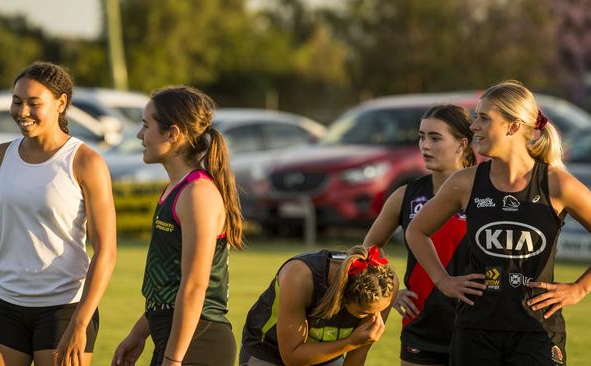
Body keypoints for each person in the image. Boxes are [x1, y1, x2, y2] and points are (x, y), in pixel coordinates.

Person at [406, 80, 591, 366]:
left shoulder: (556, 184)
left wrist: (579, 288)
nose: (474, 127)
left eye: (483, 118)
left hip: (538, 331)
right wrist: (443, 280)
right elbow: (416, 230)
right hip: (475, 330)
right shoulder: (464, 182)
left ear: (513, 127)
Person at [0, 61, 117, 366]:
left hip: (65, 310)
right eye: (16, 101)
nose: (22, 111)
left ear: (61, 103)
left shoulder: (85, 162)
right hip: (7, 306)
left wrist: (80, 323)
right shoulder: (1, 156)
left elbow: (106, 251)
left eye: (33, 103)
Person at [112, 86, 243, 366]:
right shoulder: (176, 189)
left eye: (146, 126)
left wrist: (172, 359)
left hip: (200, 343)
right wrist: (138, 334)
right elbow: (169, 288)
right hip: (176, 339)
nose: (139, 135)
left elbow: (195, 286)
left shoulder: (198, 193)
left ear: (172, 134)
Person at [361, 104, 475, 366]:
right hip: (422, 325)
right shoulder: (405, 196)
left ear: (461, 144)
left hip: (476, 324)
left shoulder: (484, 193)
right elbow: (367, 251)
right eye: (422, 137)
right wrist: (392, 293)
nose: (425, 145)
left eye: (435, 138)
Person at [240, 245, 398, 366]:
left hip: (327, 352)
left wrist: (356, 342)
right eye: (364, 313)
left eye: (380, 311)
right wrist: (352, 342)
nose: (374, 318)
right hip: (269, 350)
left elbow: (357, 354)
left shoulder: (386, 286)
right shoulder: (299, 277)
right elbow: (292, 357)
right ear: (344, 296)